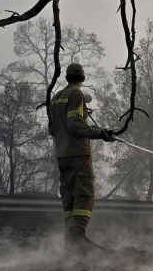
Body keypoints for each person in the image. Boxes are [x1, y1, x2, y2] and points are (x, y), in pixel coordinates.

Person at [48, 63, 114, 250]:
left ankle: (70, 246)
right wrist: (100, 133)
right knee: (85, 197)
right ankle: (75, 240)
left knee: (69, 201)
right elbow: (74, 124)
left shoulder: (56, 98)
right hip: (78, 155)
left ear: (67, 77)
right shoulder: (76, 94)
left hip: (62, 156)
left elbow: (53, 129)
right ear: (82, 79)